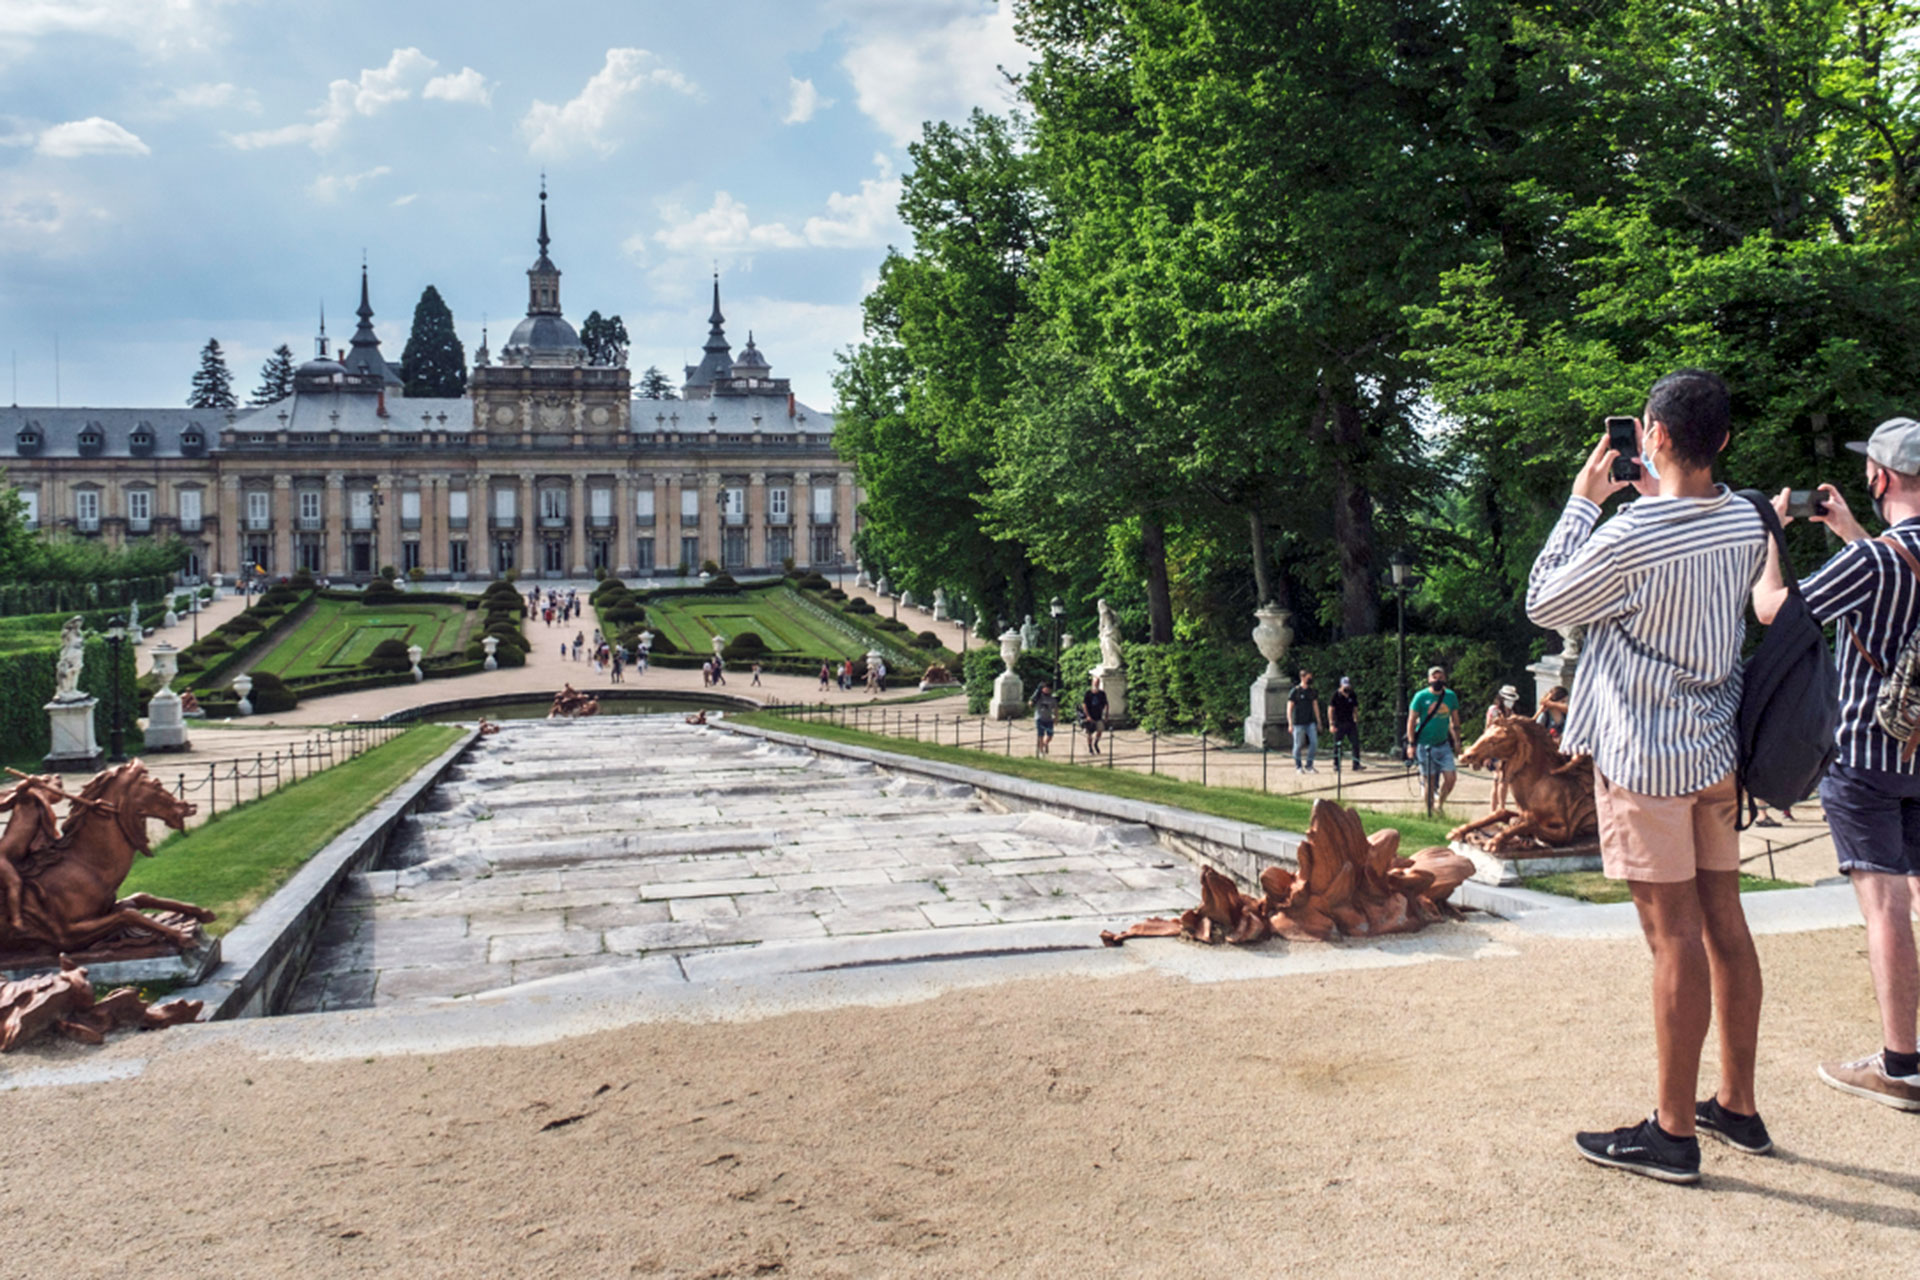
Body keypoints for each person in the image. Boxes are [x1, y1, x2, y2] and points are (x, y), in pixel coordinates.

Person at [1529, 368, 1771, 1183]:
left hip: (1647, 755)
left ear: (1654, 435)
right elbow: (1698, 531)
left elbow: (1544, 603)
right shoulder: (1745, 518)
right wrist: (1645, 494)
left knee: (1673, 940)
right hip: (1715, 750)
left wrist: (1583, 502)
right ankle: (1735, 1103)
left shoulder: (1629, 535)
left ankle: (1672, 1133)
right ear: (1724, 441)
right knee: (1724, 927)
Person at [1753, 415, 1920, 1112]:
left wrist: (1771, 535)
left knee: (1884, 903)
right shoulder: (1882, 555)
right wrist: (1853, 532)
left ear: (1879, 476)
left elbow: (1774, 612)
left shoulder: (1874, 563)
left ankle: (1902, 1066)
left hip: (1866, 753)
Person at [1405, 667, 1461, 816]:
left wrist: (1457, 742)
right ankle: (1429, 811)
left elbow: (1454, 721)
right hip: (1424, 745)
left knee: (1451, 778)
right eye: (1434, 677)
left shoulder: (1450, 696)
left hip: (1443, 744)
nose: (1437, 680)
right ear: (1429, 679)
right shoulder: (1421, 697)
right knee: (1429, 779)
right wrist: (1411, 744)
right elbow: (1411, 721)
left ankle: (1439, 804)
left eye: (1440, 677)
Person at [1485, 684, 1521, 813]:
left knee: (1504, 780)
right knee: (1497, 779)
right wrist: (1487, 754)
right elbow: (1488, 730)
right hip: (1495, 747)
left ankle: (1501, 808)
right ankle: (1494, 810)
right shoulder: (1494, 711)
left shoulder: (1513, 713)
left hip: (1507, 749)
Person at [1288, 670, 1321, 774]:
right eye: (1308, 677)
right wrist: (1290, 723)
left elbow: (1315, 706)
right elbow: (1289, 708)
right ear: (1303, 678)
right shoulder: (1295, 691)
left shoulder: (1312, 691)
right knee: (1298, 745)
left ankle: (1309, 765)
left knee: (1314, 743)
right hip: (1298, 723)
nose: (1310, 679)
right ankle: (1298, 766)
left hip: (1310, 721)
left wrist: (1318, 721)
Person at [1328, 676, 1363, 770]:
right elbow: (1331, 709)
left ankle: (1356, 764)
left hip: (1350, 722)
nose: (1346, 688)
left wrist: (1356, 718)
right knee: (1337, 744)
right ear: (1341, 685)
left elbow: (1355, 707)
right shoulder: (1335, 695)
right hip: (1338, 722)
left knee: (1355, 743)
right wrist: (1331, 723)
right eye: (1345, 686)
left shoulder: (1352, 694)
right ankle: (1336, 764)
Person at [1081, 676, 1109, 755]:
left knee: (1100, 730)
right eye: (1095, 682)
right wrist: (1087, 716)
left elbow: (1106, 704)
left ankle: (1096, 743)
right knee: (1089, 733)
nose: (1096, 684)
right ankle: (1090, 747)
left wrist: (1106, 714)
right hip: (1090, 715)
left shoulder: (1102, 694)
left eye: (1097, 683)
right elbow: (1085, 705)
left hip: (1099, 715)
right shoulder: (1088, 693)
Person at [1033, 681, 1059, 756]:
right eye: (1045, 688)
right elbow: (1031, 703)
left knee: (1050, 735)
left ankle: (1044, 744)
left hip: (1048, 719)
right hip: (1040, 718)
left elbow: (1055, 708)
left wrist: (1056, 718)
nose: (1047, 690)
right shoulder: (1038, 697)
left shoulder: (1052, 698)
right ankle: (1041, 751)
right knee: (1040, 735)